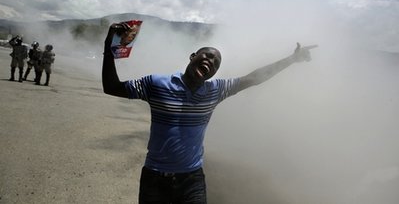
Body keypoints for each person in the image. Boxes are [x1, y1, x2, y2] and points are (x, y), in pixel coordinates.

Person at [102, 25, 317, 204]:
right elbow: (111, 87)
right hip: (154, 177)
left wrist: (291, 60)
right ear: (193, 56)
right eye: (207, 56)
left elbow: (254, 78)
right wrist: (109, 47)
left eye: (216, 63)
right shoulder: (156, 84)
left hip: (191, 179)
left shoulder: (215, 90)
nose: (211, 62)